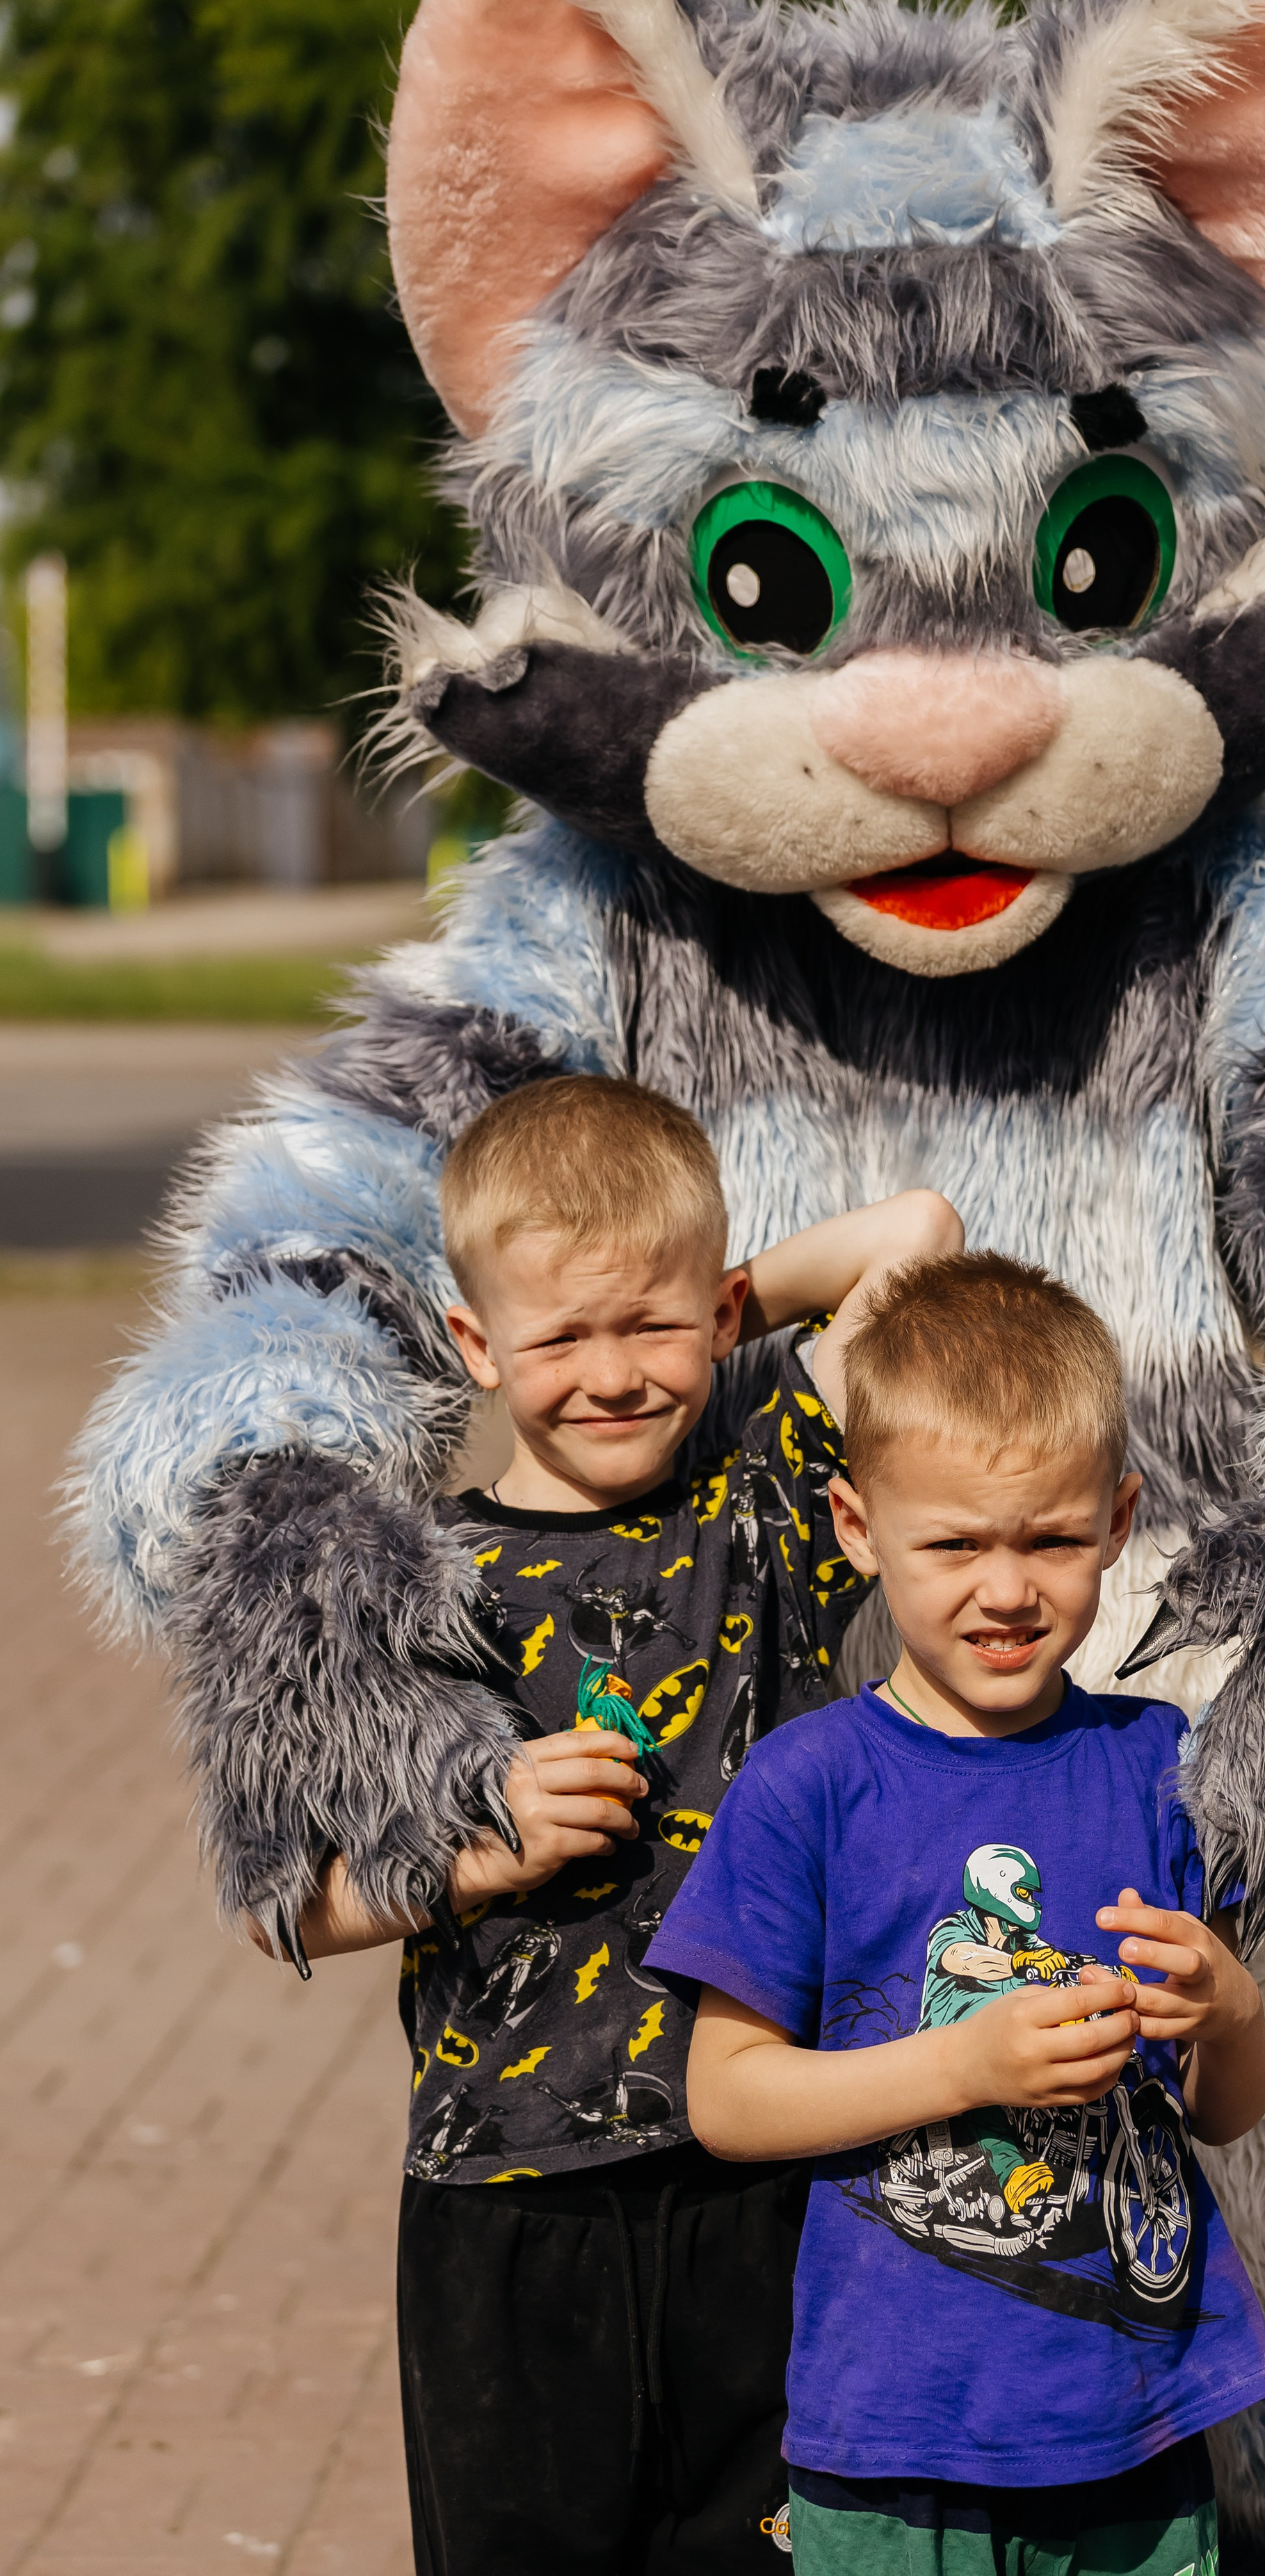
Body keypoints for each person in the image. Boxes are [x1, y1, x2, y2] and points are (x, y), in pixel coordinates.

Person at [271, 1069, 961, 2575]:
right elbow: (290, 1903)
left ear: (720, 1321)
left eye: (652, 1325)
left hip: (770, 2176)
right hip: (504, 2200)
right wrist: (476, 1848)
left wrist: (720, 1300)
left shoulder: (767, 1494)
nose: (611, 1372)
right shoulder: (411, 1584)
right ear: (475, 1346)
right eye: (559, 1335)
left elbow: (914, 1230)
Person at [647, 1252, 1265, 2576]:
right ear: (857, 1526)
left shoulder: (1159, 1763)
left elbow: (1221, 2108)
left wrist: (1231, 2008)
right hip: (893, 2443)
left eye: (1051, 1538)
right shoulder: (810, 1784)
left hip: (1137, 2426)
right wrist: (964, 2065)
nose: (1006, 1589)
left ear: (1119, 1519)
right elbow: (727, 2097)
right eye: (954, 1544)